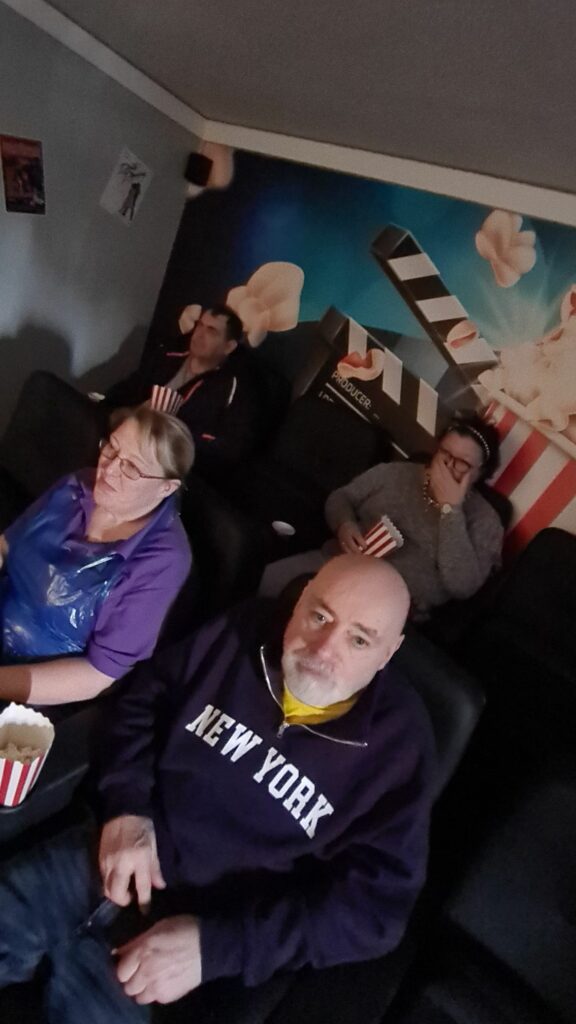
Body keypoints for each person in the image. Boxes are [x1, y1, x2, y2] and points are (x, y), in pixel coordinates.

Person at [0, 555, 435, 1020]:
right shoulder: (244, 630)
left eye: (359, 639)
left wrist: (217, 947)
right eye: (320, 616)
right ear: (301, 598)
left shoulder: (399, 747)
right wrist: (126, 808)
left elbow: (375, 912)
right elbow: (142, 700)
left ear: (389, 652)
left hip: (188, 938)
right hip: (103, 854)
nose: (324, 649)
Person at [0, 406, 194, 705]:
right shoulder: (77, 485)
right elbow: (6, 545)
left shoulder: (162, 561)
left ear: (166, 487)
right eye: (112, 448)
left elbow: (98, 674)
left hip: (38, 684)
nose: (109, 469)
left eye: (132, 467)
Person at [260, 413, 504, 619]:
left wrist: (451, 510)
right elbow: (341, 498)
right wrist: (344, 525)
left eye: (462, 463)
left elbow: (462, 586)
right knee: (264, 583)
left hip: (386, 606)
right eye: (445, 454)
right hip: (336, 564)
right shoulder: (396, 473)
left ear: (481, 472)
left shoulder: (486, 521)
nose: (448, 466)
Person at [105, 304, 262, 480]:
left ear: (229, 347)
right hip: (128, 430)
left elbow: (230, 446)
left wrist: (177, 432)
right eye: (199, 325)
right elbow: (132, 386)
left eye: (211, 331)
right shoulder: (169, 356)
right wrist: (108, 403)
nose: (199, 334)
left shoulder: (232, 387)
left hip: (167, 456)